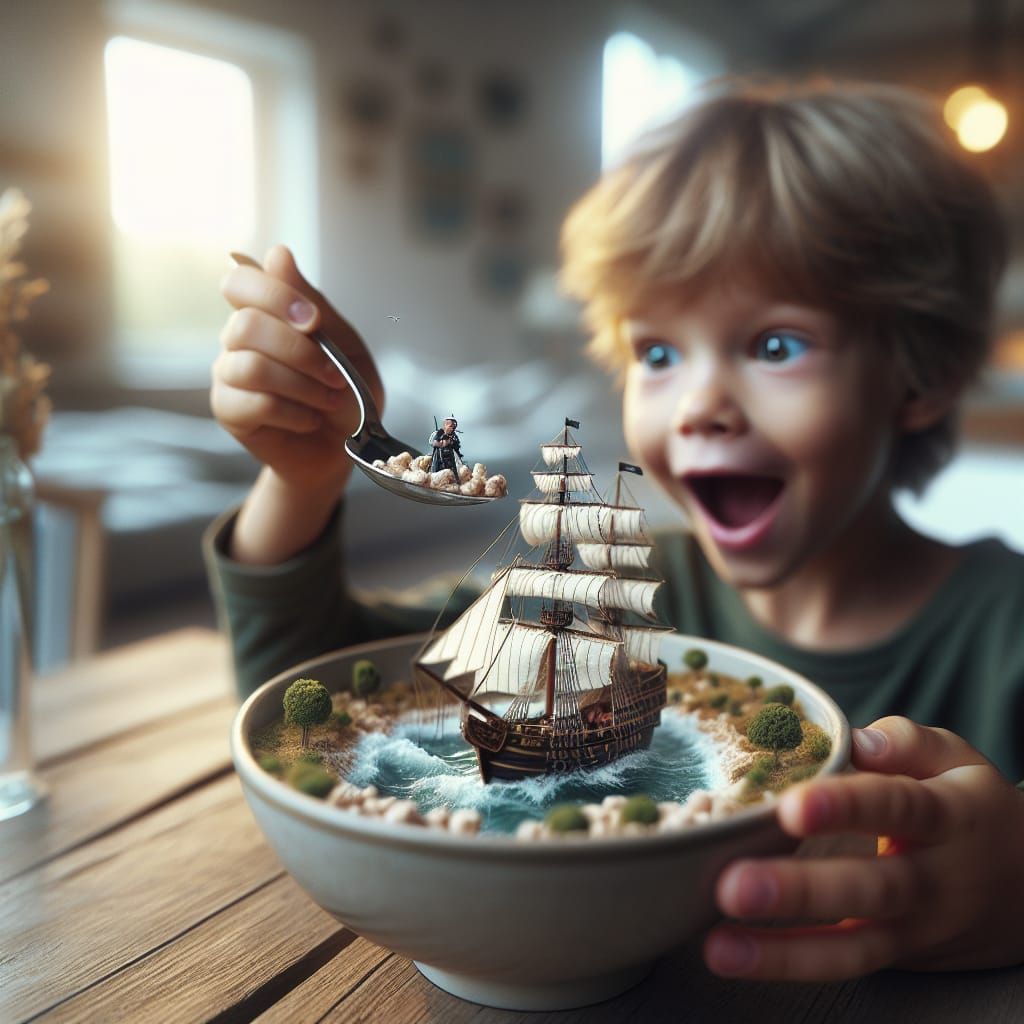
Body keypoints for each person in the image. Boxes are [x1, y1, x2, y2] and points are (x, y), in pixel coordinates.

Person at [206, 77, 1024, 983]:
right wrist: (302, 481)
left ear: (920, 376)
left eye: (776, 344)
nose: (701, 405)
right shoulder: (602, 585)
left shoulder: (1008, 632)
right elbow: (308, 694)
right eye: (658, 353)